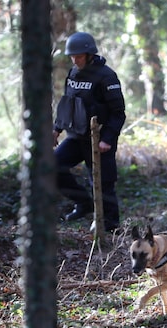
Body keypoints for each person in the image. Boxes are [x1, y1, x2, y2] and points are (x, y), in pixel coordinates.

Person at [53, 32, 126, 231]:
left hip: (100, 139)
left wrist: (107, 139)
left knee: (103, 183)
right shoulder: (74, 72)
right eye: (72, 56)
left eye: (79, 56)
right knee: (52, 166)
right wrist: (56, 129)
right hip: (76, 136)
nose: (75, 60)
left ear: (89, 54)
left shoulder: (107, 76)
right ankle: (84, 203)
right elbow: (68, 104)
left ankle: (110, 225)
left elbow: (119, 113)